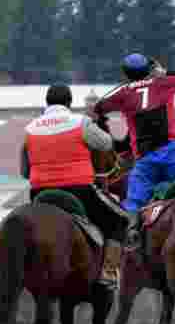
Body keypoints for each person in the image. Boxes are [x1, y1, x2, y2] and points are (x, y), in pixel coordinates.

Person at [21, 83, 128, 288]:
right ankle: (108, 272)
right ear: (69, 102)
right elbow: (106, 143)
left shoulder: (30, 129)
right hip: (78, 191)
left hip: (39, 193)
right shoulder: (80, 122)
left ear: (47, 102)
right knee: (120, 221)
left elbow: (24, 171)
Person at [93, 53, 175, 251]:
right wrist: (163, 72)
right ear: (149, 69)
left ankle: (131, 235)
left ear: (126, 73)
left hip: (145, 161)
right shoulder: (163, 82)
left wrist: (127, 85)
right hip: (173, 154)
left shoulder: (123, 92)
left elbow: (99, 107)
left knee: (133, 202)